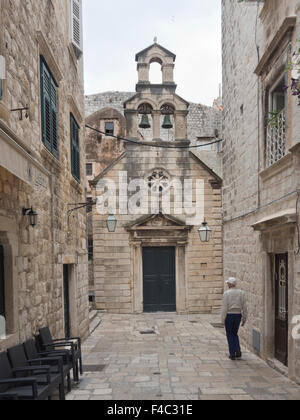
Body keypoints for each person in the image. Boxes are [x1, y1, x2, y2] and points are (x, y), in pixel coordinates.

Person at [221, 277, 247, 360]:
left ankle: (232, 353)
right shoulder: (241, 293)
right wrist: (244, 318)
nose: (227, 284)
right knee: (235, 333)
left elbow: (224, 308)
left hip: (229, 315)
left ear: (229, 284)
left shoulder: (226, 294)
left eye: (228, 283)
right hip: (238, 315)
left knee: (229, 334)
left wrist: (222, 319)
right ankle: (238, 349)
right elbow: (244, 307)